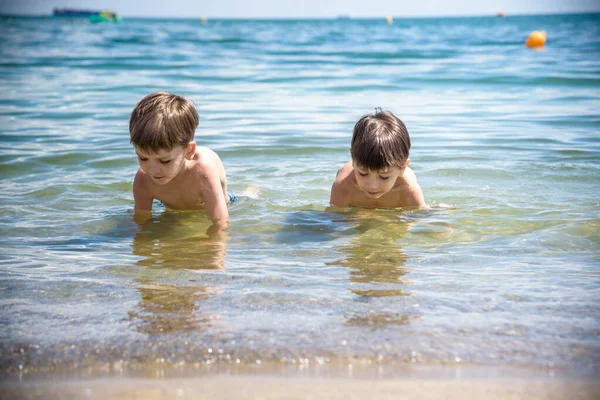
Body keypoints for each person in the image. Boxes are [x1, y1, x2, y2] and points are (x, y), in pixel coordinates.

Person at [129, 92, 235, 227]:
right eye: (143, 158)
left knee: (248, 196)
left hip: (221, 202)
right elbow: (141, 221)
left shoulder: (203, 171)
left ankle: (252, 191)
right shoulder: (143, 179)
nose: (153, 170)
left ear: (189, 150)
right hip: (169, 208)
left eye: (165, 161)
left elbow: (221, 222)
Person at [330, 109, 426, 209]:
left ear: (402, 168)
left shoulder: (408, 189)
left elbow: (421, 217)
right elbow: (334, 218)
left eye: (384, 177)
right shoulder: (344, 185)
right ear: (353, 160)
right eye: (363, 173)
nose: (372, 186)